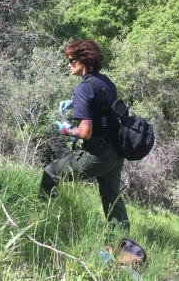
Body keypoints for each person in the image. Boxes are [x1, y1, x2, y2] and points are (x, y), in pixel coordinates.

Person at [39, 39, 129, 230]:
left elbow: (85, 132)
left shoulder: (82, 88)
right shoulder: (105, 81)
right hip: (117, 151)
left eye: (72, 60)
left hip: (98, 153)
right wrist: (75, 103)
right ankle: (124, 245)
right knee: (112, 199)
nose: (69, 64)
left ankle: (42, 219)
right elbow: (101, 106)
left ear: (85, 61)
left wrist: (65, 129)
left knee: (51, 172)